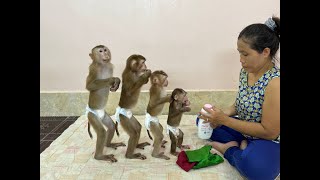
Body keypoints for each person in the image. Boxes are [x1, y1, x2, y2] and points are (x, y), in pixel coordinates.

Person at [198, 16, 280, 180]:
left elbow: (270, 132)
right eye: (239, 53)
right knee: (203, 120)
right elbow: (240, 104)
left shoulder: (275, 83)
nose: (241, 60)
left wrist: (225, 120)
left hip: (269, 139)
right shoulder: (246, 71)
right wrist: (219, 114)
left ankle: (229, 150)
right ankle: (244, 147)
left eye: (245, 54)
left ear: (265, 52)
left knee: (258, 171)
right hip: (245, 130)